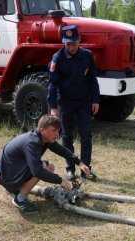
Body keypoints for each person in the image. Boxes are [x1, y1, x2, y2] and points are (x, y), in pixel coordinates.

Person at [0, 115, 91, 212]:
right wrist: (61, 181)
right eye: (54, 130)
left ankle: (15, 189)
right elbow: (37, 171)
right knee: (43, 168)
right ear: (42, 130)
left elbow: (63, 151)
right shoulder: (32, 142)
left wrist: (80, 163)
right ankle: (19, 199)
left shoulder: (44, 138)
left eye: (58, 130)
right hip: (4, 175)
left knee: (50, 166)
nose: (57, 134)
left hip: (9, 169)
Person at [47, 25, 100, 181]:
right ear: (64, 43)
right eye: (68, 44)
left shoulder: (88, 56)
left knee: (86, 135)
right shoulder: (57, 58)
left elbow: (92, 80)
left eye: (73, 43)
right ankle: (70, 169)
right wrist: (54, 107)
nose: (71, 47)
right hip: (65, 102)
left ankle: (86, 170)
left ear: (79, 40)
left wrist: (96, 100)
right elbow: (52, 84)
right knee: (67, 136)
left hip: (84, 101)